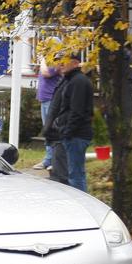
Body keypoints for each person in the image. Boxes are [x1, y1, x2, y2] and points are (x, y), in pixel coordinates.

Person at [52, 53, 94, 192]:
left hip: (77, 135)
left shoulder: (78, 81)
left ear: (75, 63)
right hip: (72, 134)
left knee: (75, 175)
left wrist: (67, 132)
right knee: (73, 173)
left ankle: (82, 204)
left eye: (65, 60)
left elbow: (77, 111)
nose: (61, 63)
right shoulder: (71, 80)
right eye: (59, 61)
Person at [33, 58, 61, 171]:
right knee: (47, 131)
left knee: (53, 130)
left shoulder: (56, 62)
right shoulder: (47, 63)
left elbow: (46, 73)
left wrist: (43, 60)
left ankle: (54, 160)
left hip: (52, 100)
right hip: (44, 100)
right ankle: (48, 159)